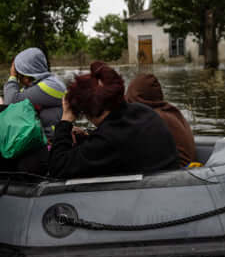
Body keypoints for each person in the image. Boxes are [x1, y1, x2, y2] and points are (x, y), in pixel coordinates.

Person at [49, 61, 180, 179]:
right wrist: (89, 136)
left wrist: (66, 119)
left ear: (89, 110)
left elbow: (58, 168)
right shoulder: (141, 111)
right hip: (166, 184)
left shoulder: (109, 139)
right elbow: (118, 140)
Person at [125, 73, 196, 167]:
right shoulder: (170, 110)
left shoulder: (153, 118)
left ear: (137, 99)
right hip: (187, 170)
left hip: (175, 173)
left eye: (129, 100)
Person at [3, 47, 66, 140]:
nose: (19, 79)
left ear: (26, 73)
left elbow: (10, 102)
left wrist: (12, 77)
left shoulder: (50, 86)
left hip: (53, 142)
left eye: (19, 74)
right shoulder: (41, 84)